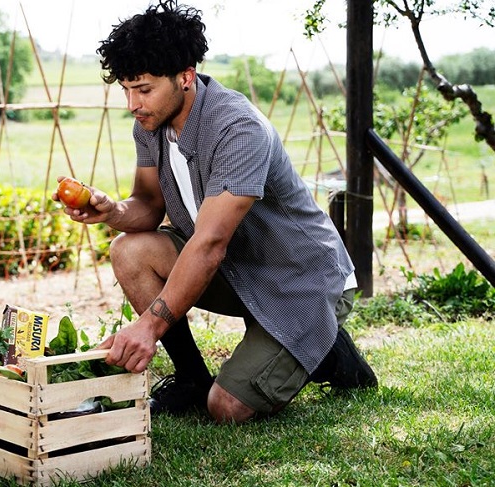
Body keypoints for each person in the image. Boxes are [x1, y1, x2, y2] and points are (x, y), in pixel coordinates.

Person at [52, 0, 377, 424]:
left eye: (144, 89)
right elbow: (148, 206)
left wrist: (148, 327)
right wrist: (111, 210)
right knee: (129, 250)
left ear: (185, 77)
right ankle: (190, 379)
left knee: (226, 409)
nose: (133, 103)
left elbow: (208, 245)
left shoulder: (237, 128)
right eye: (126, 89)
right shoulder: (151, 124)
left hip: (300, 282)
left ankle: (330, 351)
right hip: (239, 270)